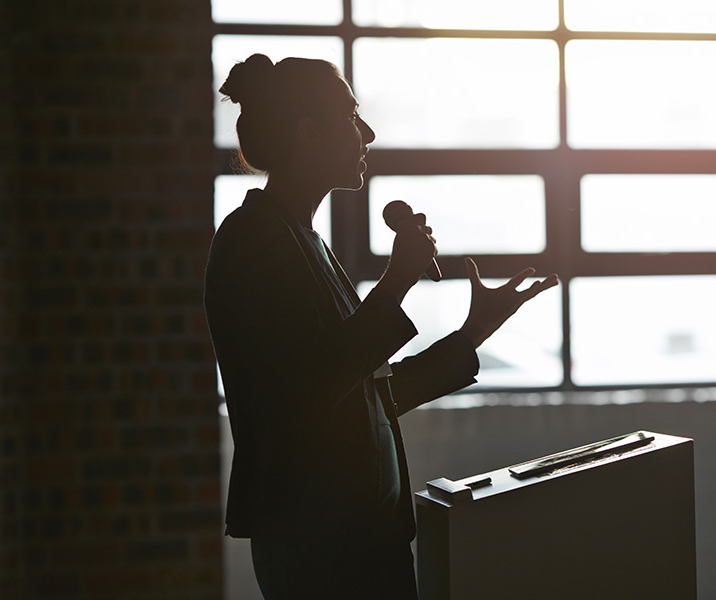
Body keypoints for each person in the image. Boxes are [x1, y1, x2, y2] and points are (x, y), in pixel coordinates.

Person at [204, 54, 558, 599]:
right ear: (309, 132)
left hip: (363, 539)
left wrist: (472, 334)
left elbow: (365, 394)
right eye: (351, 116)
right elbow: (303, 393)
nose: (367, 133)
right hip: (318, 547)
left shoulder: (305, 241)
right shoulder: (251, 240)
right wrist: (395, 282)